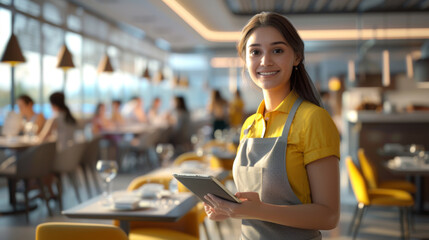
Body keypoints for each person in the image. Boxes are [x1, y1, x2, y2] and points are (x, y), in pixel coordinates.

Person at [203, 12, 340, 239]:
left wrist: (259, 211)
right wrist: (228, 209)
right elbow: (250, 204)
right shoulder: (250, 124)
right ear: (246, 61)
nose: (265, 61)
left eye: (277, 50)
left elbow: (328, 216)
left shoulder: (313, 119)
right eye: (255, 52)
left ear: (296, 57)